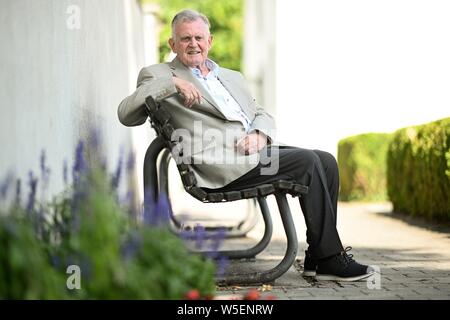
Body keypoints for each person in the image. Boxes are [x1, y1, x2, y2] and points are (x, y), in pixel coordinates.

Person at [118, 9, 375, 281]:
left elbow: (260, 113)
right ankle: (330, 259)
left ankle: (317, 256)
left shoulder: (232, 77)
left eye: (198, 37)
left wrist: (260, 135)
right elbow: (126, 113)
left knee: (325, 160)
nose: (193, 44)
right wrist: (172, 83)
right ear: (172, 44)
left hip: (255, 154)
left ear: (210, 41)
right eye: (185, 39)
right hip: (222, 164)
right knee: (307, 162)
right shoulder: (157, 74)